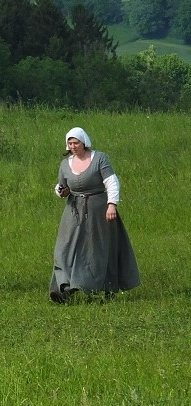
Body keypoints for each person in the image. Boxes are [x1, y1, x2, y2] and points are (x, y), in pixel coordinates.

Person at [50, 127, 140, 303]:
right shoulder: (65, 164)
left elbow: (112, 182)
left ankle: (102, 287)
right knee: (64, 248)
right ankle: (63, 287)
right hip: (73, 211)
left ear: (84, 142)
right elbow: (62, 187)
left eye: (76, 142)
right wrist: (61, 191)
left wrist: (111, 204)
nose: (73, 146)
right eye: (70, 143)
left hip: (99, 211)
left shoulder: (99, 159)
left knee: (96, 249)